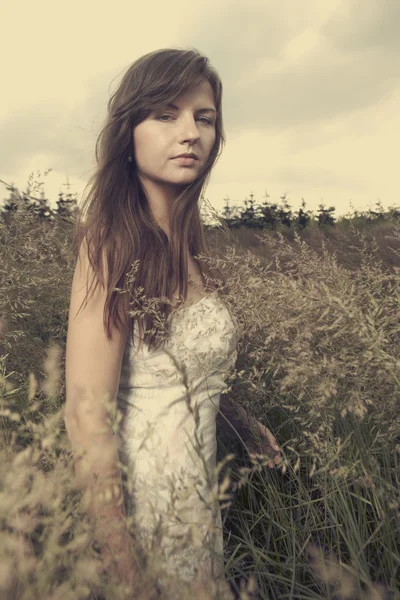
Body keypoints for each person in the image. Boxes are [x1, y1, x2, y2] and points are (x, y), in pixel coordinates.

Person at [64, 47, 239, 598]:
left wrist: (244, 423)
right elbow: (85, 416)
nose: (190, 132)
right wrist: (125, 570)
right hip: (146, 506)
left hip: (199, 499)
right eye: (166, 114)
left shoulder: (192, 243)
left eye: (203, 117)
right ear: (129, 131)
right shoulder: (110, 245)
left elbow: (178, 369)